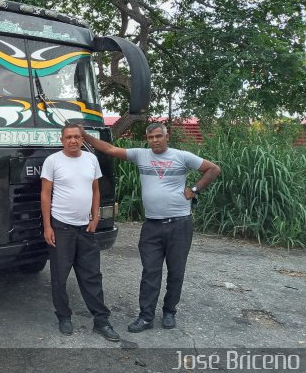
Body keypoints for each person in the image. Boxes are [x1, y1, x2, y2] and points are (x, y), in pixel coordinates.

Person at [82, 122, 221, 332]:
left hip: (179, 224)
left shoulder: (182, 156)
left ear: (167, 137)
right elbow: (109, 149)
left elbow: (213, 169)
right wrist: (83, 135)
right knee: (150, 272)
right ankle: (146, 317)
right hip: (152, 226)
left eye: (158, 136)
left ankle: (169, 312)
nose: (154, 140)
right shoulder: (141, 155)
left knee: (176, 271)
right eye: (151, 137)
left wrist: (194, 189)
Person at [40, 123, 119, 341]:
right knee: (59, 276)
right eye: (69, 137)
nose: (73, 140)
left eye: (77, 136)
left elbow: (95, 189)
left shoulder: (91, 159)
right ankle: (64, 316)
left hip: (86, 229)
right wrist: (47, 226)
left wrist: (95, 217)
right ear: (62, 140)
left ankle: (101, 321)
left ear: (82, 138)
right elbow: (45, 195)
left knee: (92, 276)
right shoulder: (53, 161)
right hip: (61, 228)